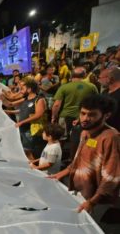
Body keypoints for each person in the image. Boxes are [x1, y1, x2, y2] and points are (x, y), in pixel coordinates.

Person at [47, 95, 119, 231]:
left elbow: (112, 176)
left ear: (106, 115)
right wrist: (60, 174)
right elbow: (78, 160)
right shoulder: (85, 132)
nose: (85, 118)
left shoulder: (111, 137)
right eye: (83, 113)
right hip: (80, 193)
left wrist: (92, 202)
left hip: (97, 200)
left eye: (92, 115)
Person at [51, 67, 98, 157]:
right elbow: (96, 102)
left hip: (65, 116)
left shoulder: (64, 87)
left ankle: (56, 157)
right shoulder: (92, 87)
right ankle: (76, 157)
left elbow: (56, 105)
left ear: (72, 75)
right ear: (84, 75)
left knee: (61, 138)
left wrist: (53, 116)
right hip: (84, 117)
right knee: (81, 138)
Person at [4, 79, 47, 159]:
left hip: (32, 130)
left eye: (23, 88)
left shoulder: (39, 99)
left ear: (29, 89)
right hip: (23, 129)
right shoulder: (26, 99)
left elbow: (38, 114)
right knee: (25, 150)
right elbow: (21, 110)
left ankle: (36, 168)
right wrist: (8, 111)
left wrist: (22, 122)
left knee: (31, 151)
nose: (21, 91)